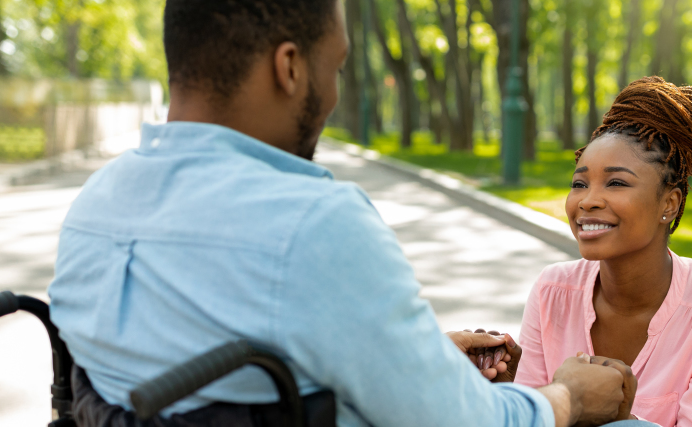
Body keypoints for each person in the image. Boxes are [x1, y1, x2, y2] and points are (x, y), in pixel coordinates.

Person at [47, 0, 639, 426]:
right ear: (289, 68)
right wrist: (566, 399)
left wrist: (408, 355)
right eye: (335, 67)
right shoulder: (311, 222)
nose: (332, 96)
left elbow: (211, 367)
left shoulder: (94, 204)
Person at [510, 77, 692, 427]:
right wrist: (505, 393)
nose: (588, 200)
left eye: (616, 183)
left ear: (669, 203)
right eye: (579, 184)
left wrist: (612, 415)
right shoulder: (552, 290)